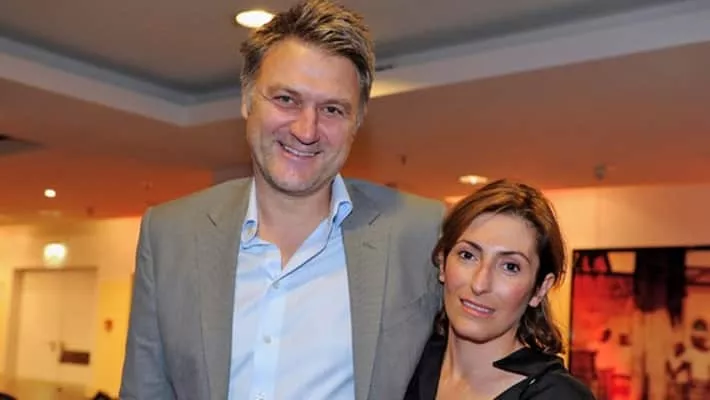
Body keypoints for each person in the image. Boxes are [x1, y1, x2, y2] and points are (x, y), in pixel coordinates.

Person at [119, 1, 444, 400]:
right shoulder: (170, 235)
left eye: (332, 109)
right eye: (287, 99)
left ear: (357, 121)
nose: (307, 130)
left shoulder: (422, 233)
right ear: (247, 100)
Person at [404, 180, 595, 399]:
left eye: (510, 267)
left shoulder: (557, 395)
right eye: (468, 255)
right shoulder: (406, 363)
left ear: (540, 289)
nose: (480, 284)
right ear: (442, 263)